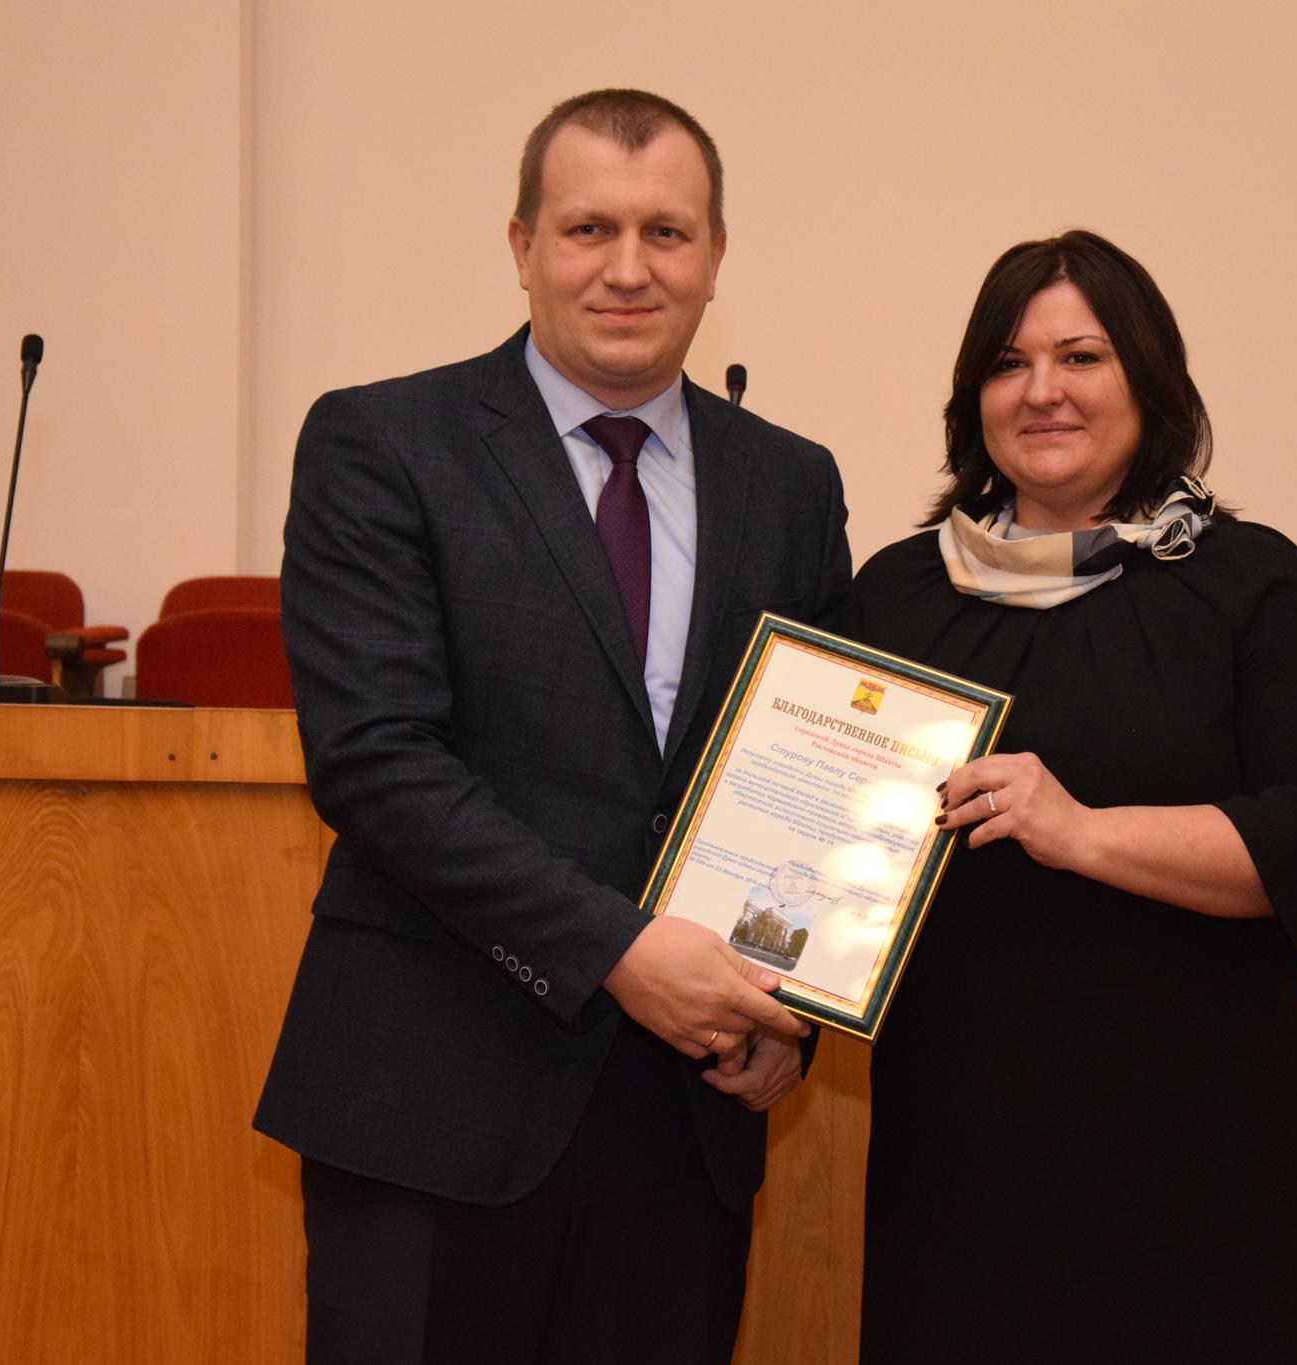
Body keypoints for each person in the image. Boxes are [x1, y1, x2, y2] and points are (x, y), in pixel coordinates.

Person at [253, 88, 850, 1365]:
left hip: (684, 1114)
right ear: (522, 246)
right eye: (588, 230)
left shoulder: (790, 483)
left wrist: (783, 1005)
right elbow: (375, 761)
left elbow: (807, 772)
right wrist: (618, 951)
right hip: (432, 1097)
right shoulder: (383, 442)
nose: (628, 270)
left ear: (714, 257)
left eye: (665, 233)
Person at [840, 230, 1297, 1363]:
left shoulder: (1250, 583)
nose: (1041, 390)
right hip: (957, 1140)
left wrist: (1080, 832)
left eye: (1080, 357)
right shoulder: (895, 595)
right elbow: (828, 839)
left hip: (1189, 1147)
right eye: (1007, 363)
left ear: (1149, 380)